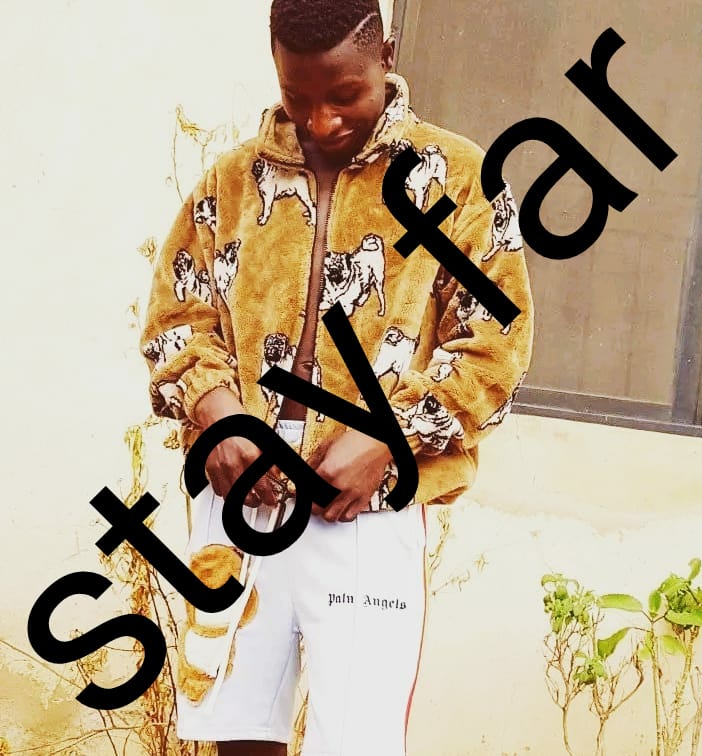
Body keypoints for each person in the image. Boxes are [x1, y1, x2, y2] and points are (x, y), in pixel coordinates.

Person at [140, 1, 534, 754]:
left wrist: (388, 437)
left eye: (344, 95)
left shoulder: (458, 181)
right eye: (298, 96)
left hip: (367, 505)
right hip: (238, 496)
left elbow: (495, 346)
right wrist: (217, 415)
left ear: (387, 54)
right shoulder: (231, 182)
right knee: (237, 734)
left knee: (357, 742)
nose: (320, 121)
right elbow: (175, 320)